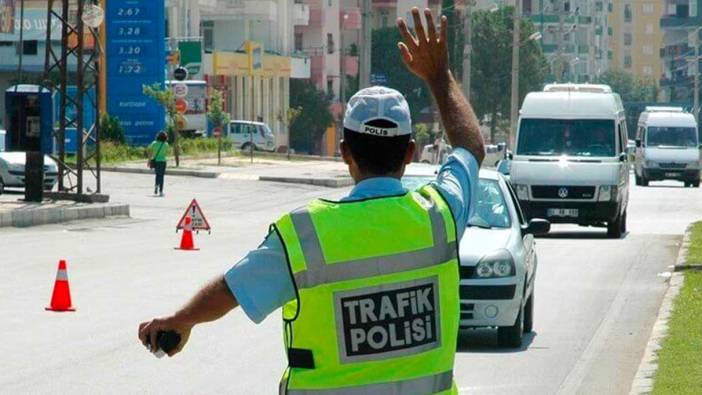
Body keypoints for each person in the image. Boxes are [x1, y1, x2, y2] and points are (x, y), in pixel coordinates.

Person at [138, 7, 485, 394]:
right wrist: (438, 77)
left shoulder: (305, 235)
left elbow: (233, 289)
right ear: (410, 153)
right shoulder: (441, 216)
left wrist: (182, 320)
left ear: (344, 153)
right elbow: (471, 147)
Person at [148, 132, 169, 197]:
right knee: (161, 176)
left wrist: (149, 160)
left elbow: (149, 151)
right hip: (163, 161)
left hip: (156, 161)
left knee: (157, 174)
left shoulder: (154, 143)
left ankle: (156, 185)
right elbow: (166, 153)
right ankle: (161, 191)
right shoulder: (166, 144)